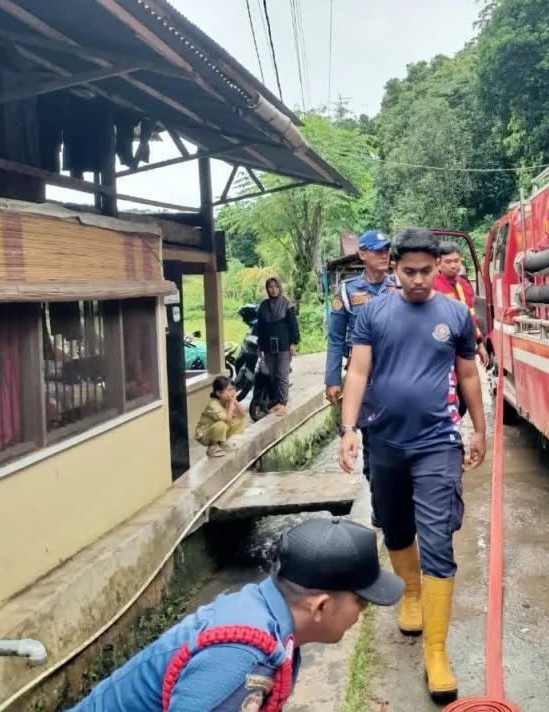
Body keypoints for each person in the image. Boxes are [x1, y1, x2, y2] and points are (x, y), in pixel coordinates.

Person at [338, 227, 487, 703]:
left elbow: (468, 374)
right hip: (384, 440)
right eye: (409, 272)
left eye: (426, 271)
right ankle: (413, 593)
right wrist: (348, 428)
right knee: (396, 526)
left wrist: (479, 429)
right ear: (395, 269)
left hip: (438, 442)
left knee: (438, 537)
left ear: (436, 267)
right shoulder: (373, 313)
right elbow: (358, 371)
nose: (419, 280)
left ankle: (436, 653)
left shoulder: (456, 314)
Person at [67, 517, 403, 711]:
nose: (363, 611)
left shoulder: (267, 617)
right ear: (320, 606)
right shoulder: (242, 658)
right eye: (361, 601)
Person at [325, 230, 398, 522]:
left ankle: (400, 503)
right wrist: (332, 379)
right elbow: (335, 339)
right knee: (372, 442)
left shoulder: (399, 286)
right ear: (362, 254)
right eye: (378, 250)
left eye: (387, 250)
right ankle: (380, 505)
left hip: (397, 377)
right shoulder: (347, 292)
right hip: (364, 382)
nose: (384, 255)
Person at [434, 241, 489, 368]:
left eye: (456, 261)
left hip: (464, 346)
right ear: (438, 264)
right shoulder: (433, 286)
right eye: (448, 262)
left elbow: (471, 317)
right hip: (442, 346)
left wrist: (480, 344)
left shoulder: (464, 285)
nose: (453, 266)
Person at [255, 277, 299, 416]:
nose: (273, 289)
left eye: (275, 286)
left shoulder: (287, 305)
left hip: (283, 344)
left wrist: (293, 343)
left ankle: (283, 404)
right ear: (267, 289)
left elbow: (293, 326)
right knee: (273, 375)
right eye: (270, 287)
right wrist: (260, 345)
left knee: (282, 374)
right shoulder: (263, 306)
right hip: (268, 346)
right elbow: (260, 328)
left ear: (279, 288)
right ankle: (278, 401)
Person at [194, 376, 246, 458]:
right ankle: (213, 446)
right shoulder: (213, 404)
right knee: (222, 424)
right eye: (229, 390)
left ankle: (222, 442)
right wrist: (231, 403)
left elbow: (243, 414)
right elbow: (227, 419)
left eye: (233, 389)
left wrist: (234, 401)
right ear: (218, 393)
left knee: (239, 419)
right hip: (204, 434)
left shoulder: (227, 401)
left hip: (216, 429)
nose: (233, 392)